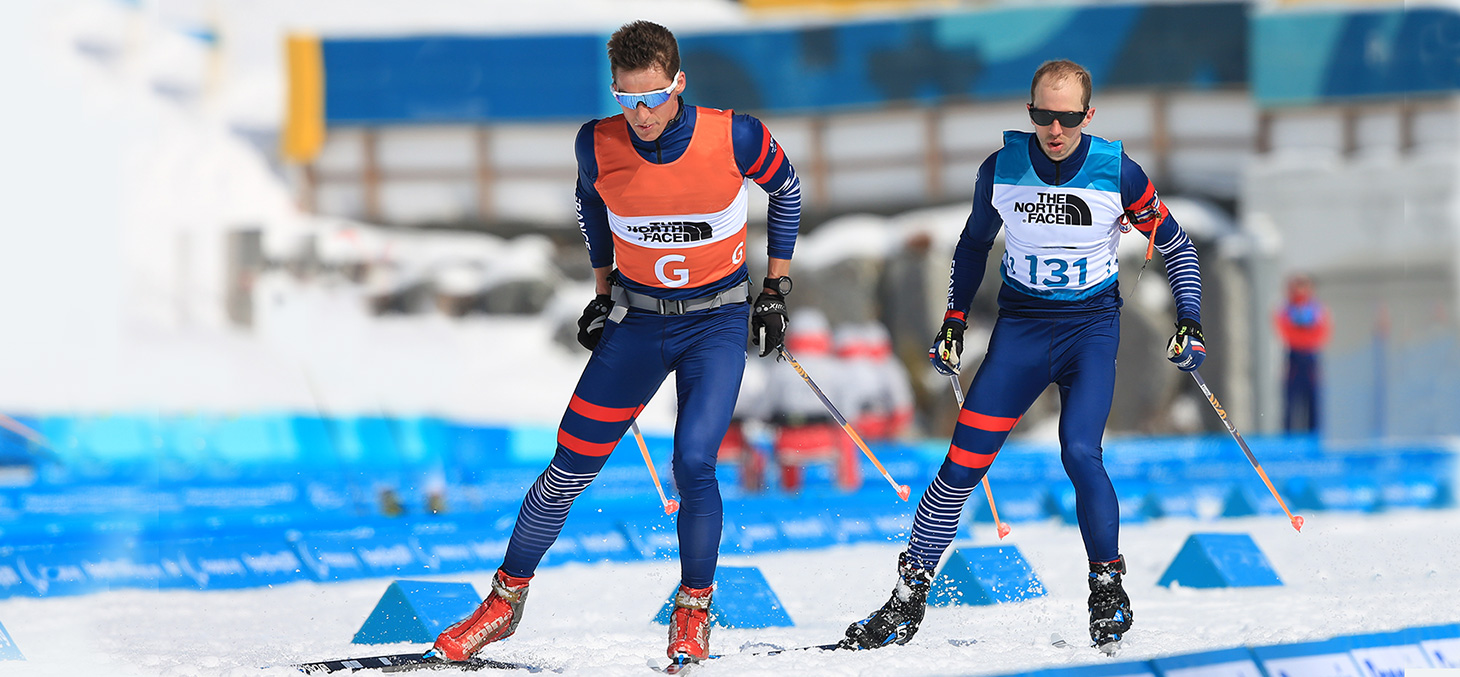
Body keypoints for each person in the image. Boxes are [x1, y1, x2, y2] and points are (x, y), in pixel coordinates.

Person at [431, 20, 803, 667]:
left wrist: (775, 288)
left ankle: (692, 611)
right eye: (627, 100)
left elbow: (787, 189)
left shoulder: (733, 134)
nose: (642, 114)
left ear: (678, 84)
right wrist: (602, 293)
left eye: (654, 98)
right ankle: (504, 601)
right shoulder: (596, 143)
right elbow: (592, 211)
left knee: (693, 462)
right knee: (567, 466)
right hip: (639, 323)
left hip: (713, 324)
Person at [841, 59, 1206, 653]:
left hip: (1090, 331)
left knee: (1080, 451)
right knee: (961, 464)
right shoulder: (1002, 169)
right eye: (1042, 115)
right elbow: (973, 244)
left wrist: (1189, 318)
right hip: (1022, 332)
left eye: (1066, 118)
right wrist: (954, 322)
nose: (1054, 129)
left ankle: (1107, 586)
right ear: (1029, 111)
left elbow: (1174, 241)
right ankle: (907, 598)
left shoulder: (1119, 173)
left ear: (1088, 116)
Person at [1274, 274, 1329, 433]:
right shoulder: (1286, 308)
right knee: (1290, 402)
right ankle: (1288, 437)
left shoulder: (1316, 308)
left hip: (1310, 357)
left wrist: (1305, 338)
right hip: (1294, 358)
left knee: (1313, 401)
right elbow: (1283, 329)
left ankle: (1315, 435)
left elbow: (1322, 332)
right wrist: (1302, 336)